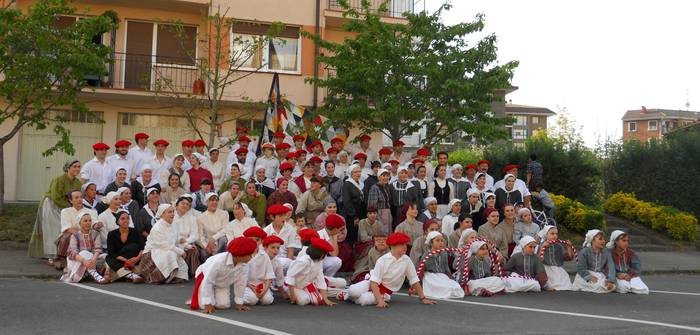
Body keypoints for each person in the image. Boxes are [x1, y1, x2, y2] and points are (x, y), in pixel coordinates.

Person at [338, 232, 436, 307]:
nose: (405, 247)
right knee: (353, 291)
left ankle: (353, 297)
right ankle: (347, 295)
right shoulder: (382, 260)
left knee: (364, 300)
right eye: (402, 245)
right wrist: (380, 301)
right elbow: (373, 283)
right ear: (393, 246)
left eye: (405, 245)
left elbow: (414, 280)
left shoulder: (407, 260)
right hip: (371, 283)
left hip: (385, 292)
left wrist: (423, 298)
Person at [188, 236, 257, 313]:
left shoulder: (244, 264)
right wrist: (207, 303)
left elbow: (241, 283)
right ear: (240, 255)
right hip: (204, 277)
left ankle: (210, 295)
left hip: (223, 283)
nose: (251, 257)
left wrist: (239, 303)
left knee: (223, 305)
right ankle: (201, 296)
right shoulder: (218, 261)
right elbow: (207, 281)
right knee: (203, 305)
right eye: (249, 255)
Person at [140, 204, 188, 284]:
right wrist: (180, 251)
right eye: (169, 212)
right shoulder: (157, 227)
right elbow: (165, 245)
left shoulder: (174, 224)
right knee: (171, 254)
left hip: (165, 249)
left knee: (173, 253)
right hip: (151, 254)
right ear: (162, 214)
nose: (172, 214)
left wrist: (186, 245)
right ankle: (158, 277)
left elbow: (175, 239)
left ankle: (174, 276)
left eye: (173, 212)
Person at [284, 238, 337, 306]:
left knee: (318, 301)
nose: (325, 256)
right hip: (293, 285)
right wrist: (292, 295)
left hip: (306, 285)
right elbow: (290, 276)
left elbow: (320, 279)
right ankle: (292, 293)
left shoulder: (319, 262)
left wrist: (325, 298)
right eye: (325, 254)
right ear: (319, 253)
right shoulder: (304, 261)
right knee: (304, 300)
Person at [54, 190, 97, 270]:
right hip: (71, 236)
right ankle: (63, 260)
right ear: (71, 200)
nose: (80, 199)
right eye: (76, 198)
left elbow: (94, 226)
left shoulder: (91, 211)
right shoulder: (66, 211)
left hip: (88, 236)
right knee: (68, 236)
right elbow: (67, 229)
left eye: (81, 197)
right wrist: (81, 232)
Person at [60, 212, 107, 284]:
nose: (88, 223)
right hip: (78, 260)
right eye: (85, 221)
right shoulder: (75, 235)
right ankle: (94, 273)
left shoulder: (95, 233)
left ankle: (87, 273)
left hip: (92, 260)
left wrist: (93, 260)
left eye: (90, 221)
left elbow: (98, 249)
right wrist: (84, 261)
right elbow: (73, 253)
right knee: (84, 253)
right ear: (80, 223)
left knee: (106, 256)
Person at [421, 231, 464, 299]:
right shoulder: (426, 255)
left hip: (442, 275)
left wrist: (452, 279)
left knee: (455, 286)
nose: (440, 243)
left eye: (442, 241)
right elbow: (421, 270)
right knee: (440, 286)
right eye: (437, 241)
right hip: (431, 276)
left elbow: (446, 269)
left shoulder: (444, 253)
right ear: (431, 243)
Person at [105, 210, 145, 283]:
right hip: (121, 259)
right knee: (108, 258)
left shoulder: (135, 231)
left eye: (127, 218)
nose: (126, 220)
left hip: (135, 258)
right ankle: (132, 276)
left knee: (134, 247)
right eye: (123, 219)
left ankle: (125, 274)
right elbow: (111, 252)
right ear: (118, 221)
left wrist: (137, 258)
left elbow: (143, 247)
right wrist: (126, 261)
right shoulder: (111, 234)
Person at [241, 227, 276, 305]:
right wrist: (249, 286)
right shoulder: (243, 255)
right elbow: (240, 275)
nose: (254, 242)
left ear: (262, 241)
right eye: (251, 240)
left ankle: (262, 294)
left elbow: (269, 275)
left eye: (257, 240)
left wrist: (265, 289)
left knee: (267, 300)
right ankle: (242, 295)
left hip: (261, 285)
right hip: (247, 285)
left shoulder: (264, 256)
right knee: (252, 300)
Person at [608, 230, 649, 294]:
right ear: (616, 241)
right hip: (615, 276)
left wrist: (629, 275)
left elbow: (637, 268)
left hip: (629, 275)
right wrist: (617, 275)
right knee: (624, 288)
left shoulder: (631, 253)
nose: (626, 243)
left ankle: (630, 285)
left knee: (643, 290)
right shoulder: (609, 253)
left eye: (627, 241)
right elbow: (607, 268)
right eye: (623, 241)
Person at [263, 204, 300, 273]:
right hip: (270, 260)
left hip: (285, 260)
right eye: (280, 216)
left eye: (284, 215)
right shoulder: (266, 231)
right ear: (272, 217)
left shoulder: (290, 229)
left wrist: (289, 266)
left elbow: (290, 250)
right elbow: (264, 251)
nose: (283, 218)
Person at [537, 225, 574, 291]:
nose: (555, 236)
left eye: (556, 234)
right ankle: (547, 286)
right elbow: (538, 260)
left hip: (557, 269)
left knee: (565, 280)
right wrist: (543, 247)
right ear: (546, 235)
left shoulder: (559, 246)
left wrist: (569, 247)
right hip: (546, 268)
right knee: (548, 279)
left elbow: (568, 258)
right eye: (552, 234)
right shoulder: (541, 245)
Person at [196, 193, 229, 260]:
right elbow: (200, 236)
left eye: (216, 200)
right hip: (208, 244)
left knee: (223, 239)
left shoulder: (224, 214)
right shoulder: (200, 217)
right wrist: (206, 247)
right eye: (212, 200)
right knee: (204, 254)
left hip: (221, 242)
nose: (214, 202)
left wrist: (213, 238)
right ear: (207, 202)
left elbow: (225, 230)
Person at [173, 194, 200, 276]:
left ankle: (191, 272)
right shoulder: (171, 215)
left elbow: (195, 235)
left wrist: (186, 241)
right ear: (177, 205)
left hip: (187, 241)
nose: (185, 206)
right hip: (173, 241)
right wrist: (179, 240)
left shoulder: (192, 218)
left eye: (187, 205)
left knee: (193, 249)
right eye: (183, 203)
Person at [341, 164, 366, 243]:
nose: (358, 173)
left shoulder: (361, 183)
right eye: (355, 172)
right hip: (352, 213)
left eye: (359, 171)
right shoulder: (347, 184)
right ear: (351, 173)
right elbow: (347, 201)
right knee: (353, 233)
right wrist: (354, 216)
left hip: (361, 210)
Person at [367, 169, 393, 235]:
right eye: (383, 176)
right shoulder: (374, 188)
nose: (386, 178)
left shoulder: (386, 187)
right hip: (379, 213)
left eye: (387, 176)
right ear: (379, 177)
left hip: (387, 213)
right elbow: (372, 205)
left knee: (388, 232)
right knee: (381, 232)